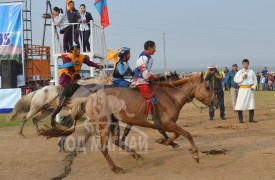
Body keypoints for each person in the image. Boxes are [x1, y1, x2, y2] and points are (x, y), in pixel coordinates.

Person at [131, 41, 159, 124]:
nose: (155, 50)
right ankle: (149, 116)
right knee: (150, 97)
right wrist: (153, 76)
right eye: (154, 48)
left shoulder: (147, 57)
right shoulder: (144, 57)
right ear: (150, 48)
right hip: (140, 80)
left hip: (144, 79)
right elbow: (144, 72)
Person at [234, 59, 257, 123]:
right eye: (244, 64)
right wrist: (242, 78)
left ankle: (251, 118)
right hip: (242, 89)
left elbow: (255, 81)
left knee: (251, 104)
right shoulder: (239, 72)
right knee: (240, 104)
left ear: (248, 64)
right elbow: (235, 80)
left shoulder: (251, 72)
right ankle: (240, 119)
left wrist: (253, 86)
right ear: (242, 64)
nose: (245, 65)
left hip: (250, 90)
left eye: (246, 63)